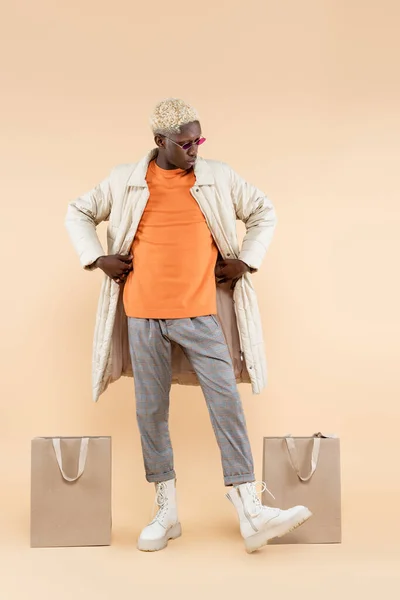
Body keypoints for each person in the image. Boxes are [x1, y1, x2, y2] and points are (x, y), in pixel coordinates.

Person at [65, 97, 311, 554]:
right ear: (159, 142)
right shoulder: (126, 180)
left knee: (226, 407)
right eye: (185, 143)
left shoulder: (217, 176)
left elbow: (263, 210)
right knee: (150, 413)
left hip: (201, 314)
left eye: (199, 139)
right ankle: (166, 510)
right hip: (142, 316)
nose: (195, 148)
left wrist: (246, 261)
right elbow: (78, 211)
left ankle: (249, 510)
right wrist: (97, 258)